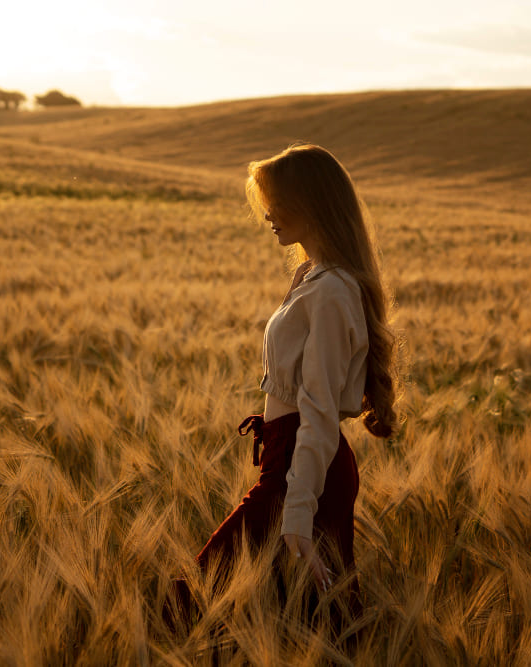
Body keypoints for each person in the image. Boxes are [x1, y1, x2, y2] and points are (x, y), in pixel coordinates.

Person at [168, 144, 398, 629]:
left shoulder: (333, 290)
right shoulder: (310, 277)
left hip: (306, 468)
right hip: (286, 460)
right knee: (279, 621)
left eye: (277, 202)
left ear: (313, 203)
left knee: (200, 604)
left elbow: (317, 413)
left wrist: (296, 514)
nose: (267, 214)